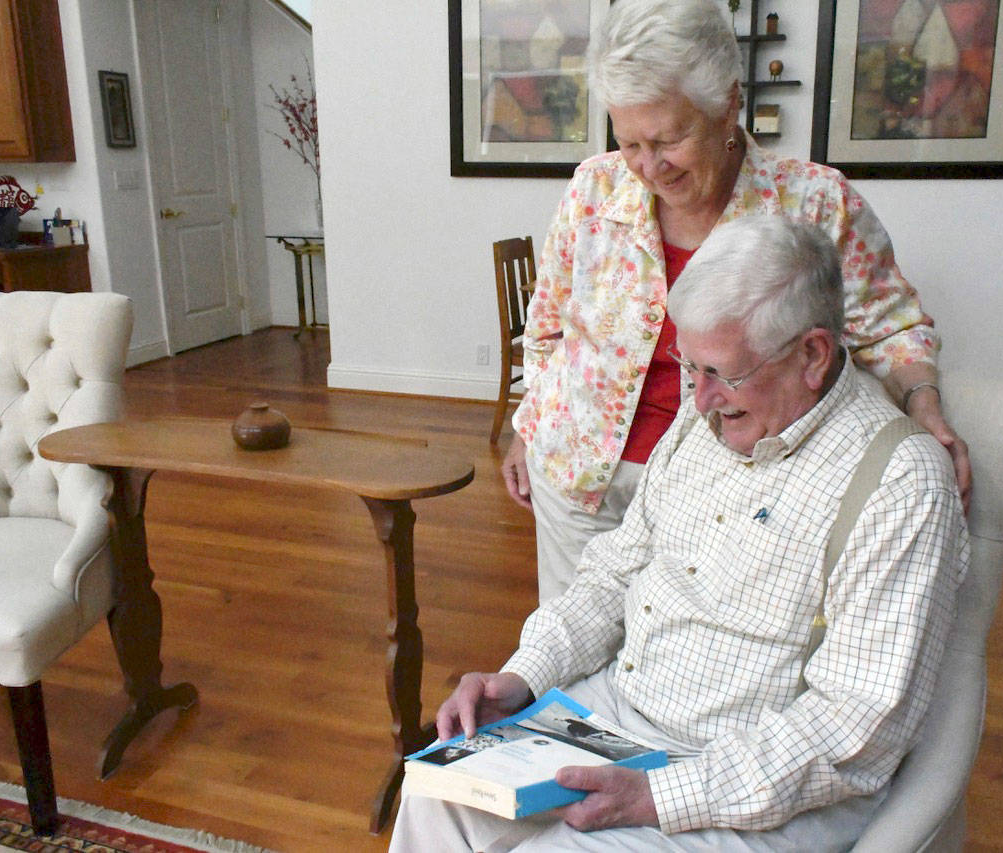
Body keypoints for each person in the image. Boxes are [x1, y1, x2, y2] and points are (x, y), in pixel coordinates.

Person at [392, 217, 968, 851]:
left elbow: (854, 726)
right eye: (687, 368)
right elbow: (613, 575)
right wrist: (525, 677)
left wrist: (660, 797)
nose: (699, 400)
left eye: (722, 373)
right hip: (613, 719)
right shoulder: (706, 422)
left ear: (813, 354)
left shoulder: (901, 483)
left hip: (749, 776)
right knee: (433, 794)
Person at [501, 0, 970, 603]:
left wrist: (926, 405)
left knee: (685, 666)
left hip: (733, 494)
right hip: (578, 477)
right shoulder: (593, 188)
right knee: (571, 657)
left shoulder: (815, 205)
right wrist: (529, 427)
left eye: (669, 140)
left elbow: (893, 329)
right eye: (630, 143)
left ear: (729, 102)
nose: (648, 166)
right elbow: (548, 328)